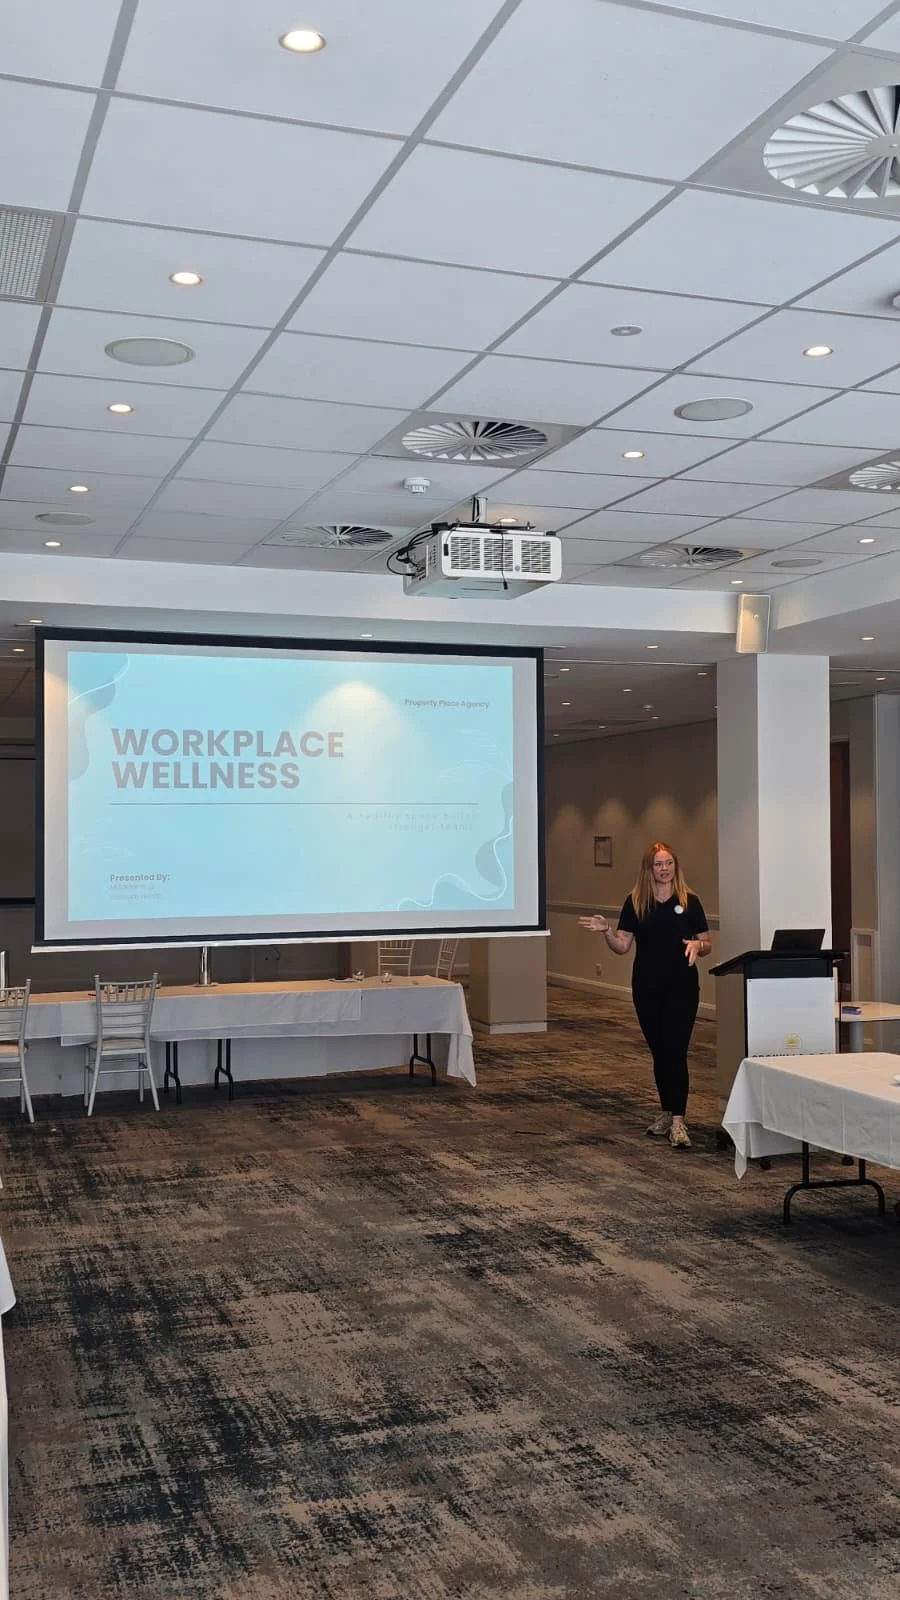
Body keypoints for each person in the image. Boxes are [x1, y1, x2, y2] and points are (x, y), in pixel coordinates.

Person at [578, 842, 710, 1149]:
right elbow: (622, 945)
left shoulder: (689, 901)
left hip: (681, 987)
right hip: (647, 987)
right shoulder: (636, 901)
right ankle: (667, 1111)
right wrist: (606, 931)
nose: (664, 869)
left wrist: (698, 946)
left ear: (675, 866)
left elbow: (707, 943)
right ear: (649, 869)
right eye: (658, 864)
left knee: (675, 1051)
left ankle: (678, 1121)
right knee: (660, 1052)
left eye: (669, 863)